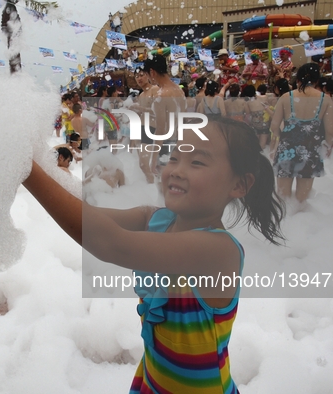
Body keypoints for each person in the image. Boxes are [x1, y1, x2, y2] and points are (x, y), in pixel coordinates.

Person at [22, 117, 285, 393]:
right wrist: (40, 165)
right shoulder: (156, 220)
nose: (177, 171)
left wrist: (29, 170)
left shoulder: (218, 251)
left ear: (239, 185)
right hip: (153, 380)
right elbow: (91, 218)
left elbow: (111, 243)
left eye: (197, 162)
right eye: (173, 158)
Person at [270, 63, 333, 202]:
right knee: (302, 200)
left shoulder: (286, 97)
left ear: (298, 79)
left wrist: (281, 137)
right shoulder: (325, 99)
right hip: (310, 149)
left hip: (286, 148)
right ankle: (300, 218)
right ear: (317, 80)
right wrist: (327, 146)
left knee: (283, 198)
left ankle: (286, 222)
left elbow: (274, 126)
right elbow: (330, 130)